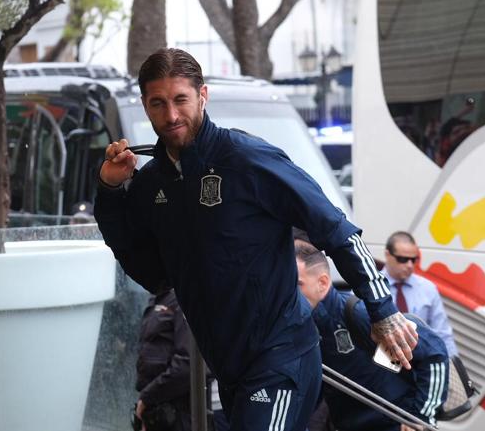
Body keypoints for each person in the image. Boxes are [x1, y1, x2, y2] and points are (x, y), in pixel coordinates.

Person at [94, 48, 416, 431]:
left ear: (203, 96)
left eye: (181, 99)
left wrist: (383, 310)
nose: (172, 115)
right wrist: (111, 192)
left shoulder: (246, 158)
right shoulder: (152, 182)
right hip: (229, 367)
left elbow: (336, 229)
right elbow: (148, 268)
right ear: (146, 106)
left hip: (280, 358)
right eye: (158, 103)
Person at [296, 240, 450, 431]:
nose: (289, 292)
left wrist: (421, 417)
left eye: (297, 284)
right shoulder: (302, 325)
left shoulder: (359, 313)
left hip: (396, 423)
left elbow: (434, 353)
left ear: (323, 282)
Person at [382, 231, 458, 356]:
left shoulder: (428, 289)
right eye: (403, 259)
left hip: (420, 363)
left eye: (413, 260)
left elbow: (443, 334)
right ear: (387, 255)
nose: (409, 265)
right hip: (379, 360)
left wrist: (453, 369)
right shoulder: (369, 286)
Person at [134, 288, 194, 431]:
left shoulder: (181, 299)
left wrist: (148, 397)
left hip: (178, 410)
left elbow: (187, 363)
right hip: (157, 410)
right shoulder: (157, 299)